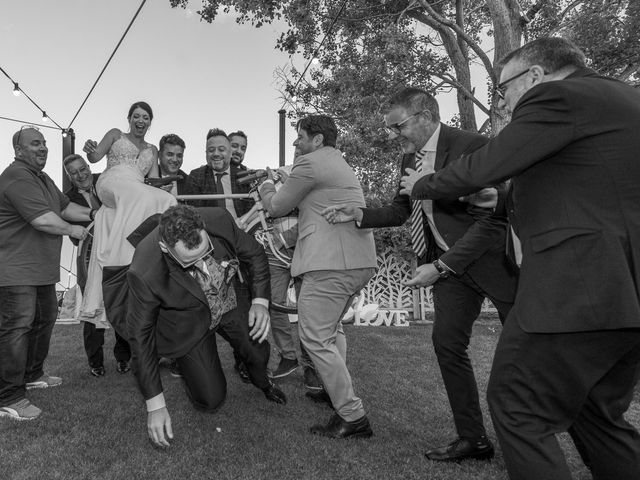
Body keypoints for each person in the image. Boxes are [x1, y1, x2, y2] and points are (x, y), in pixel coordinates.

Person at [400, 37, 640, 479]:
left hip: (582, 288)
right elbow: (589, 188)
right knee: (595, 412)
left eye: (503, 89)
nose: (504, 102)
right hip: (625, 293)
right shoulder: (621, 99)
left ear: (534, 76)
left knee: (517, 403)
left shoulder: (558, 95)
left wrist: (424, 183)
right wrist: (502, 197)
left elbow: (486, 163)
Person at [323, 87, 518, 461]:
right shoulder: (408, 160)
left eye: (398, 126)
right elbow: (401, 209)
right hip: (448, 269)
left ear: (425, 116)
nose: (396, 136)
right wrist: (359, 213)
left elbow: (493, 220)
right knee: (447, 346)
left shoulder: (473, 146)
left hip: (494, 264)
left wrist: (442, 265)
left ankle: (565, 431)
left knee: (530, 353)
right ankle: (473, 439)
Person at [127, 204, 286, 447]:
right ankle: (192, 368)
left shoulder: (219, 220)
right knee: (211, 400)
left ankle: (262, 381)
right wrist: (155, 405)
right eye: (191, 261)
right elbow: (141, 338)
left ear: (203, 227)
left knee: (257, 351)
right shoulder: (144, 271)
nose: (202, 262)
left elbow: (254, 254)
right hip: (188, 321)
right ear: (164, 248)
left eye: (205, 251)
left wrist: (261, 302)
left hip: (228, 301)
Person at [259, 115, 377, 438]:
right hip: (356, 260)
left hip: (330, 264)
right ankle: (332, 389)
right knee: (331, 329)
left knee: (313, 337)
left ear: (318, 140)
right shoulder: (337, 164)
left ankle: (352, 415)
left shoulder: (311, 164)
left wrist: (267, 185)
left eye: (300, 137)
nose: (296, 142)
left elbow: (278, 206)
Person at [0, 127, 90, 421]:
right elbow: (44, 220)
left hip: (41, 270)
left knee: (44, 319)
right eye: (34, 143)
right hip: (16, 270)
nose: (42, 148)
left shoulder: (44, 179)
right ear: (18, 149)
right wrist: (73, 230)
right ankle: (9, 396)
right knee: (17, 329)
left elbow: (67, 208)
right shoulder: (17, 176)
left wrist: (98, 214)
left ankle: (32, 374)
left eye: (44, 143)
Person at [80, 101, 177, 336]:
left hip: (137, 187)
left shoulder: (152, 150)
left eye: (145, 117)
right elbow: (94, 157)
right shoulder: (115, 135)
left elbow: (152, 180)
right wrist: (90, 149)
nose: (141, 121)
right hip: (111, 183)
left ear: (150, 122)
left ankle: (150, 257)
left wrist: (165, 184)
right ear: (129, 118)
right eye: (137, 116)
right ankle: (121, 261)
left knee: (169, 202)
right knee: (138, 194)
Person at [186, 129, 256, 382]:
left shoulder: (244, 176)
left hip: (240, 251)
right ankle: (203, 368)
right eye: (210, 149)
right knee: (204, 312)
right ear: (206, 152)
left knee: (244, 309)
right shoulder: (195, 177)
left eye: (221, 149)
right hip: (210, 254)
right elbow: (190, 216)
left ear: (230, 152)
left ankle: (245, 362)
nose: (216, 153)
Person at [62, 154, 131, 377]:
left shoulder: (106, 184)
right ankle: (96, 362)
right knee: (92, 308)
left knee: (121, 305)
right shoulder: (67, 199)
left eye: (82, 169)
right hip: (89, 259)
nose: (81, 175)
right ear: (69, 177)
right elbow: (73, 234)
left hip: (119, 254)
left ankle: (124, 358)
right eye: (74, 172)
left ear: (88, 167)